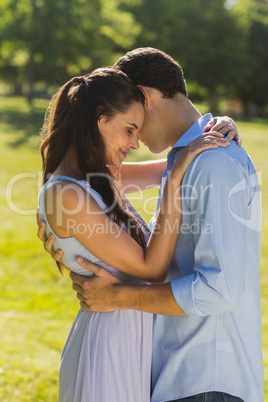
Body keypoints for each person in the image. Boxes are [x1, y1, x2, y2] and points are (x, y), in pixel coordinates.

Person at [39, 48, 263, 402]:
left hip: (202, 376)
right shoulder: (181, 162)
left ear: (143, 97)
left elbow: (219, 288)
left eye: (135, 125)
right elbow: (92, 191)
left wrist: (218, 125)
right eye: (128, 128)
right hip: (152, 359)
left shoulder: (209, 162)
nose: (136, 140)